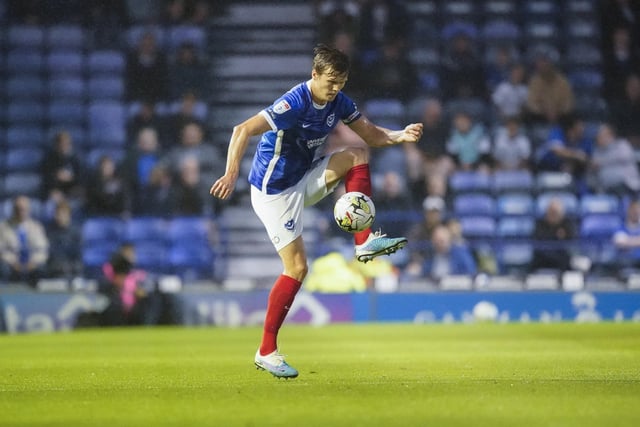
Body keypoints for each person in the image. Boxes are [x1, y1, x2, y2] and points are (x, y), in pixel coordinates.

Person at [209, 45, 423, 378]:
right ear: (314, 75)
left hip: (301, 179)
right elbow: (241, 129)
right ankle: (266, 351)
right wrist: (232, 171)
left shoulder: (338, 102)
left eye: (341, 81)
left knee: (357, 153)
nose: (335, 88)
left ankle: (363, 243)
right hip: (274, 192)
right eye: (330, 81)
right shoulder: (294, 102)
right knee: (296, 268)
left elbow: (372, 135)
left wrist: (400, 135)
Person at [0, 196, 49, 287]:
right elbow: (2, 251)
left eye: (24, 209)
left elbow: (42, 250)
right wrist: (14, 263)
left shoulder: (36, 227)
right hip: (12, 264)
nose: (21, 212)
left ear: (29, 210)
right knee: (3, 268)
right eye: (18, 209)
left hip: (32, 264)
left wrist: (33, 262)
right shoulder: (3, 227)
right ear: (13, 209)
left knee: (42, 268)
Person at [525, 46, 575, 124]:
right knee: (528, 115)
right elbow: (531, 103)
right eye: (540, 63)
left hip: (560, 115)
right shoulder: (534, 81)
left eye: (545, 63)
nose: (542, 66)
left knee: (571, 116)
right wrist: (545, 111)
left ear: (551, 64)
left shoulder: (562, 81)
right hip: (541, 115)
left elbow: (568, 103)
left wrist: (558, 111)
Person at [589, 123, 640, 196]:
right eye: (598, 136)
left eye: (601, 136)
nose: (599, 138)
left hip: (626, 185)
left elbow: (625, 156)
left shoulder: (621, 144)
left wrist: (602, 162)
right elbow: (593, 165)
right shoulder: (597, 151)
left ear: (610, 135)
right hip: (605, 188)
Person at [530, 198, 575, 273]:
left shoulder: (566, 223)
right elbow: (538, 238)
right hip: (543, 257)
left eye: (556, 212)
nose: (553, 215)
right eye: (551, 212)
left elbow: (571, 238)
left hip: (561, 257)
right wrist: (556, 235)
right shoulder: (540, 223)